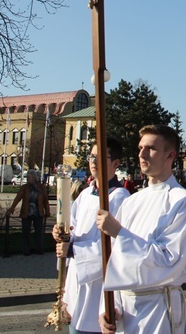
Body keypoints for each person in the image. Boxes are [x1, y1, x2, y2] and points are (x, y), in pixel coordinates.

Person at [96, 125, 186, 334]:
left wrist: (120, 233)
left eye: (151, 148)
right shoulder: (131, 202)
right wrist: (111, 307)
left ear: (170, 155)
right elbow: (115, 261)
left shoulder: (183, 202)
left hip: (158, 310)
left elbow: (168, 262)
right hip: (125, 314)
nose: (142, 154)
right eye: (140, 148)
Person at [53, 138, 130, 334]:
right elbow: (74, 229)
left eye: (100, 157)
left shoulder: (119, 198)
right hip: (77, 279)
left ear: (115, 164)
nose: (93, 161)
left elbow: (115, 246)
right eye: (92, 156)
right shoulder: (85, 195)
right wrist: (63, 236)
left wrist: (73, 250)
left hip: (99, 284)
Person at [7, 170, 50, 256]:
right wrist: (11, 209)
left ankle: (39, 248)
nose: (27, 179)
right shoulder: (24, 188)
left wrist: (47, 211)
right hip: (26, 212)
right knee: (25, 232)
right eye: (27, 177)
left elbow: (45, 200)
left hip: (38, 213)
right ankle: (26, 250)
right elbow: (17, 198)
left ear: (34, 177)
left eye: (29, 177)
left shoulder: (41, 187)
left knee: (38, 232)